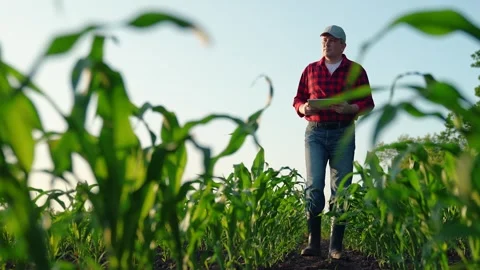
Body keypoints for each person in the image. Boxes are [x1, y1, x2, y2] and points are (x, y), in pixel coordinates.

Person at [292, 25, 375, 259]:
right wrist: (303, 107)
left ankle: (335, 246)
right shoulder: (310, 70)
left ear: (343, 45)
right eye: (324, 40)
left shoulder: (356, 71)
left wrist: (351, 108)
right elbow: (297, 98)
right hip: (315, 133)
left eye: (331, 40)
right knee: (314, 186)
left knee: (341, 189)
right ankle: (313, 243)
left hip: (343, 133)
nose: (326, 43)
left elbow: (368, 103)